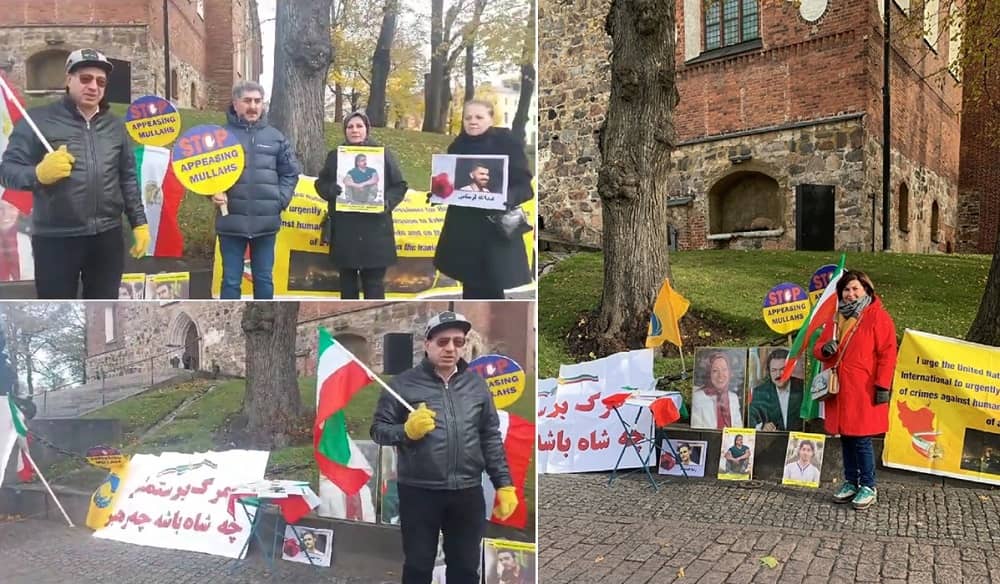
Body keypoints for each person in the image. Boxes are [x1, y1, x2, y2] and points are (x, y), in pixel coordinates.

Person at [371, 311, 518, 584]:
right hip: (419, 491)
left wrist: (504, 484)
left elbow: (490, 436)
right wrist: (406, 431)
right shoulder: (402, 385)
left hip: (467, 491)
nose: (451, 348)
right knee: (418, 565)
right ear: (427, 344)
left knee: (464, 568)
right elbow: (378, 430)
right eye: (442, 342)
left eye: (458, 341)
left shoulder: (476, 386)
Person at [0, 48, 149, 298]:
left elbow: (127, 177)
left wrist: (139, 222)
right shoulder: (38, 121)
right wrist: (38, 173)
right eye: (85, 78)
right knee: (55, 304)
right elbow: (7, 170)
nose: (93, 86)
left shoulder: (115, 126)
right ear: (68, 79)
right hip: (55, 238)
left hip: (107, 237)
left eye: (101, 82)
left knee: (103, 304)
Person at [814, 270, 897, 510]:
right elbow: (819, 347)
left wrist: (883, 385)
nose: (850, 294)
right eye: (846, 290)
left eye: (855, 289)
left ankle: (868, 485)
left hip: (863, 389)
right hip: (840, 389)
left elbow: (888, 353)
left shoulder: (877, 318)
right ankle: (851, 481)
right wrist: (824, 350)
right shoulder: (835, 318)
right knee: (846, 438)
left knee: (861, 439)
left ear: (866, 291)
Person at [433, 100, 533, 299]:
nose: (472, 122)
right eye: (468, 117)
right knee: (469, 285)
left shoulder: (507, 143)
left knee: (492, 288)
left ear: (490, 119)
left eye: (479, 117)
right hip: (463, 231)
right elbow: (451, 185)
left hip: (493, 231)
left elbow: (525, 187)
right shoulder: (457, 145)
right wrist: (438, 192)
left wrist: (507, 197)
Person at [211, 80, 300, 300]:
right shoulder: (219, 136)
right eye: (247, 101)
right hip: (231, 222)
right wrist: (210, 192)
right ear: (235, 103)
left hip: (266, 223)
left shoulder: (276, 137)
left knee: (264, 279)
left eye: (258, 101)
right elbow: (204, 173)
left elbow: (290, 173)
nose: (253, 106)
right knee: (231, 281)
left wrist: (280, 200)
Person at [315, 111, 407, 299]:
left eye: (359, 126)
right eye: (350, 126)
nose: (354, 130)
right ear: (345, 130)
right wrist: (331, 189)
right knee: (347, 284)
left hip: (375, 231)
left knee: (374, 284)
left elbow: (399, 185)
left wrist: (387, 201)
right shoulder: (335, 157)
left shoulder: (382, 155)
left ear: (367, 129)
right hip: (345, 230)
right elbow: (320, 183)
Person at [748, 348, 805, 432]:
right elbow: (750, 420)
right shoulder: (759, 392)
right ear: (769, 372)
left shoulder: (803, 388)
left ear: (790, 369)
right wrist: (761, 427)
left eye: (782, 369)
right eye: (774, 370)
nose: (778, 374)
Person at [690, 351, 744, 430]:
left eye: (724, 369)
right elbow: (697, 430)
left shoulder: (733, 398)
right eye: (715, 370)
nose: (720, 375)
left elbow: (738, 429)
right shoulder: (698, 397)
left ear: (729, 372)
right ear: (709, 373)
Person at [0, 199, 32, 282]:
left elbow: (29, 277)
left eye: (11, 207)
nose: (6, 214)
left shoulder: (23, 241)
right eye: (0, 208)